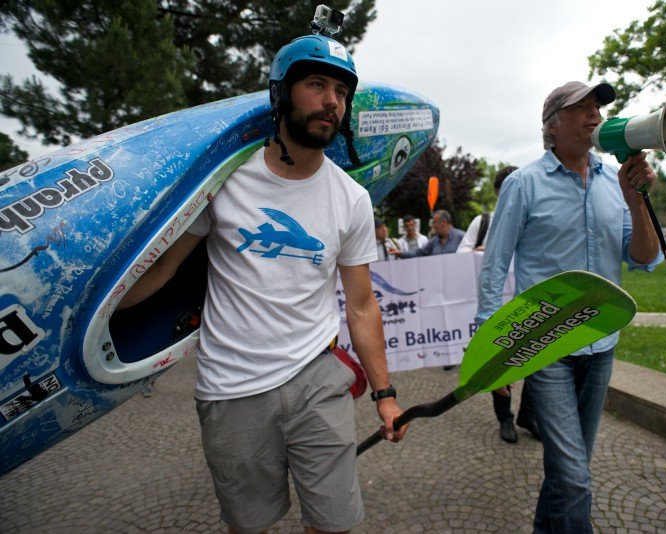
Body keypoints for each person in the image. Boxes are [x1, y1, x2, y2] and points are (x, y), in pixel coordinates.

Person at [119, 30, 406, 534]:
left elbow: (361, 307)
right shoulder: (223, 180)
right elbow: (164, 270)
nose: (331, 102)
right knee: (250, 526)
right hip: (231, 388)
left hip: (318, 378)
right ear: (281, 93)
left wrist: (385, 393)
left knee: (336, 524)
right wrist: (84, 317)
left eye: (341, 92)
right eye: (317, 85)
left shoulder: (352, 199)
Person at [477, 80, 662, 533]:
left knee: (567, 471)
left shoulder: (614, 184)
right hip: (547, 347)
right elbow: (494, 266)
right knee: (576, 477)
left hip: (603, 343)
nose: (594, 114)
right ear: (552, 126)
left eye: (597, 106)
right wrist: (491, 354)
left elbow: (642, 257)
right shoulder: (523, 184)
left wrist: (636, 200)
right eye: (581, 107)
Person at [457, 166, 537, 444]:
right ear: (497, 193)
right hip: (495, 305)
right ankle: (505, 419)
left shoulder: (533, 216)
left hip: (527, 302)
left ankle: (529, 415)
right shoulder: (483, 222)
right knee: (500, 364)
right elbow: (461, 253)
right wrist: (480, 251)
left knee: (535, 362)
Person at [392, 209, 464, 258]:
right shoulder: (433, 242)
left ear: (444, 222)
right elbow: (417, 254)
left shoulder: (461, 237)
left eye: (434, 223)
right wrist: (399, 253)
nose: (433, 226)